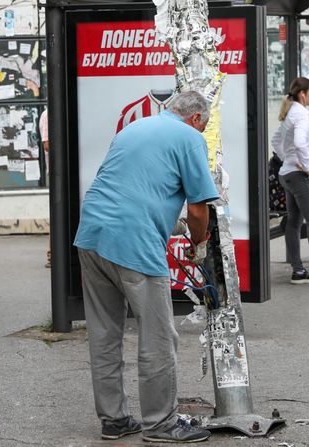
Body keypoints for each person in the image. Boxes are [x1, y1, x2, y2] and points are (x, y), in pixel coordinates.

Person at [74, 91, 216, 443]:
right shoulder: (189, 137)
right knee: (157, 335)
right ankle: (160, 424)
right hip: (134, 241)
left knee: (105, 334)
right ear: (196, 118)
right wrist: (199, 243)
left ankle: (115, 420)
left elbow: (134, 188)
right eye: (205, 125)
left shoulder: (134, 129)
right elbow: (199, 209)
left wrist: (170, 222)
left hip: (92, 233)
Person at [277, 77, 309, 284]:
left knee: (294, 223)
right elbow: (299, 142)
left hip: (287, 173)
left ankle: (298, 270)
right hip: (300, 174)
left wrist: (287, 158)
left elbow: (275, 140)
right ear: (303, 94)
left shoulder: (290, 113)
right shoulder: (302, 114)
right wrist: (307, 167)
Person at [39, 108, 51, 268]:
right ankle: (52, 255)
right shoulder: (48, 114)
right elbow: (47, 144)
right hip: (58, 173)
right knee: (58, 215)